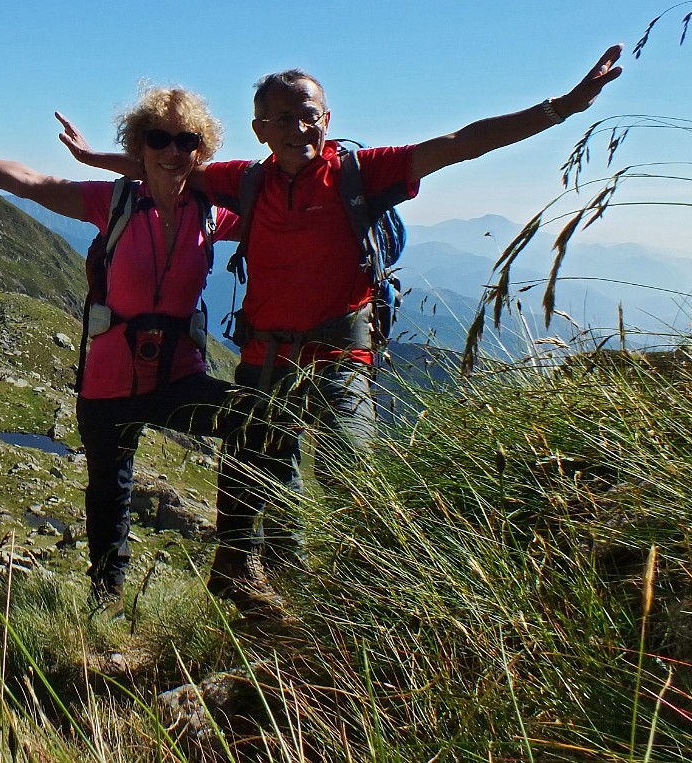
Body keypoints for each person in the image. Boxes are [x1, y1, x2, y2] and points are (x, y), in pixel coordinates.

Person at [58, 45, 625, 585]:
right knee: (251, 493)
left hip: (337, 360)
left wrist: (561, 108)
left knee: (355, 482)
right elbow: (168, 167)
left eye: (307, 115)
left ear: (326, 117)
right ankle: (263, 595)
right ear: (260, 130)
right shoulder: (244, 181)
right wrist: (95, 160)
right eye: (281, 120)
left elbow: (459, 143)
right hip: (262, 362)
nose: (297, 129)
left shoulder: (359, 173)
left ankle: (367, 603)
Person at [0, 85, 285, 615]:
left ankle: (236, 565)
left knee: (253, 419)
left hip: (177, 377)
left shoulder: (212, 213)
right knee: (109, 496)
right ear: (140, 145)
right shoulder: (114, 203)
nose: (173, 150)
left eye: (187, 140)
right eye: (160, 138)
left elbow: (278, 204)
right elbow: (35, 181)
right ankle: (105, 601)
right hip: (109, 381)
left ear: (201, 150)